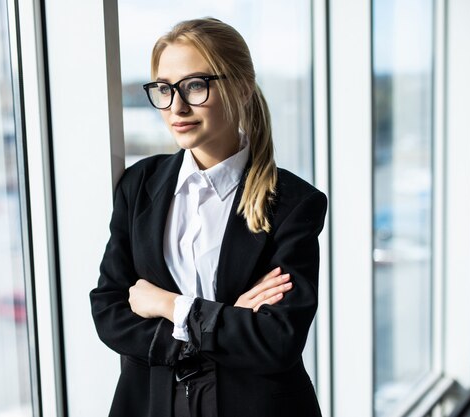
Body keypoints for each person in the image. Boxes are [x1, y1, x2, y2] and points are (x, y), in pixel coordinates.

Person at [90, 17, 327, 417]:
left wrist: (171, 305)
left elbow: (277, 338)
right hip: (152, 404)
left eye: (195, 86)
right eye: (164, 89)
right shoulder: (138, 185)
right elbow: (110, 310)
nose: (176, 107)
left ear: (242, 87)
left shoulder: (293, 202)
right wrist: (223, 319)